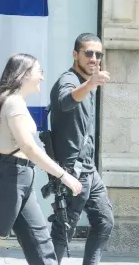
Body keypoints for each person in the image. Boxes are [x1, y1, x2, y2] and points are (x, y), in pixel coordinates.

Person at [0, 53, 82, 265]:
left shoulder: (9, 102)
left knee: (41, 245)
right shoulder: (13, 103)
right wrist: (64, 176)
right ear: (25, 74)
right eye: (39, 72)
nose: (42, 77)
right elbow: (28, 147)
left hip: (19, 180)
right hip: (8, 179)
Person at [49, 33, 114, 265]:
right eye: (88, 53)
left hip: (89, 171)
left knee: (104, 221)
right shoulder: (69, 80)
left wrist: (90, 85)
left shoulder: (87, 85)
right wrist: (90, 84)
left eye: (98, 54)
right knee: (62, 232)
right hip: (71, 171)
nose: (94, 58)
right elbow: (66, 101)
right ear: (75, 54)